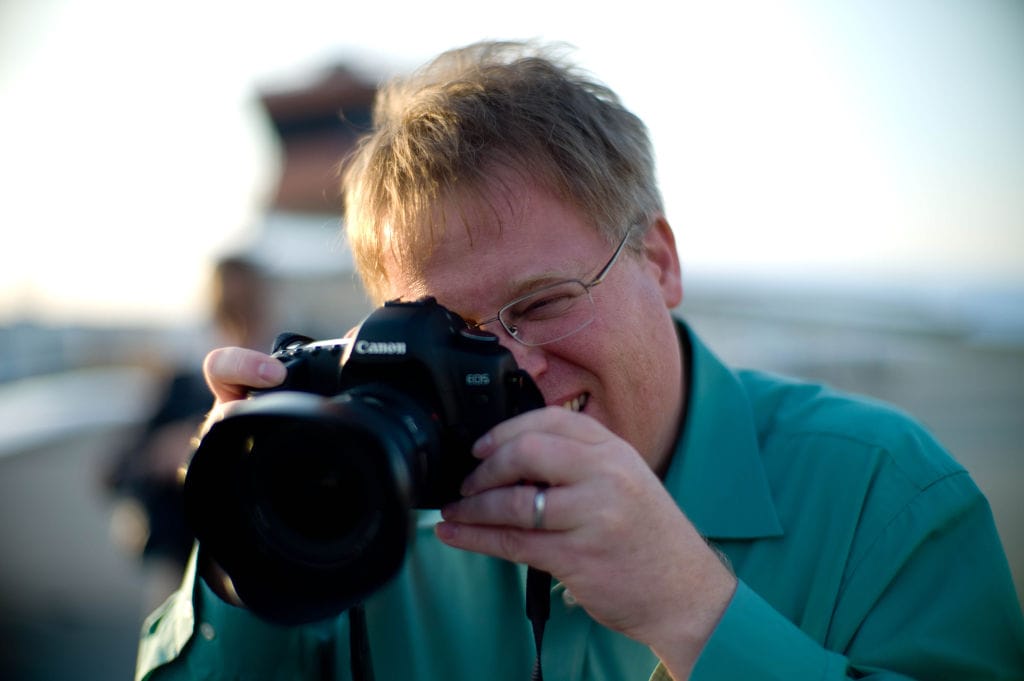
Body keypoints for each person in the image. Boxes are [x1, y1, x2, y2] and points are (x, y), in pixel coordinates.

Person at [136, 41, 1024, 680]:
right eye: (456, 336)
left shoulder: (887, 495)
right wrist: (248, 550)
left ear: (661, 261)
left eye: (543, 303)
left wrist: (695, 613)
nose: (513, 365)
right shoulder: (366, 501)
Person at [105, 255, 273, 610]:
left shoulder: (291, 377)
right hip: (187, 568)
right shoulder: (180, 383)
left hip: (273, 563)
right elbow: (115, 470)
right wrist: (162, 452)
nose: (239, 319)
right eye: (229, 308)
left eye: (247, 305)